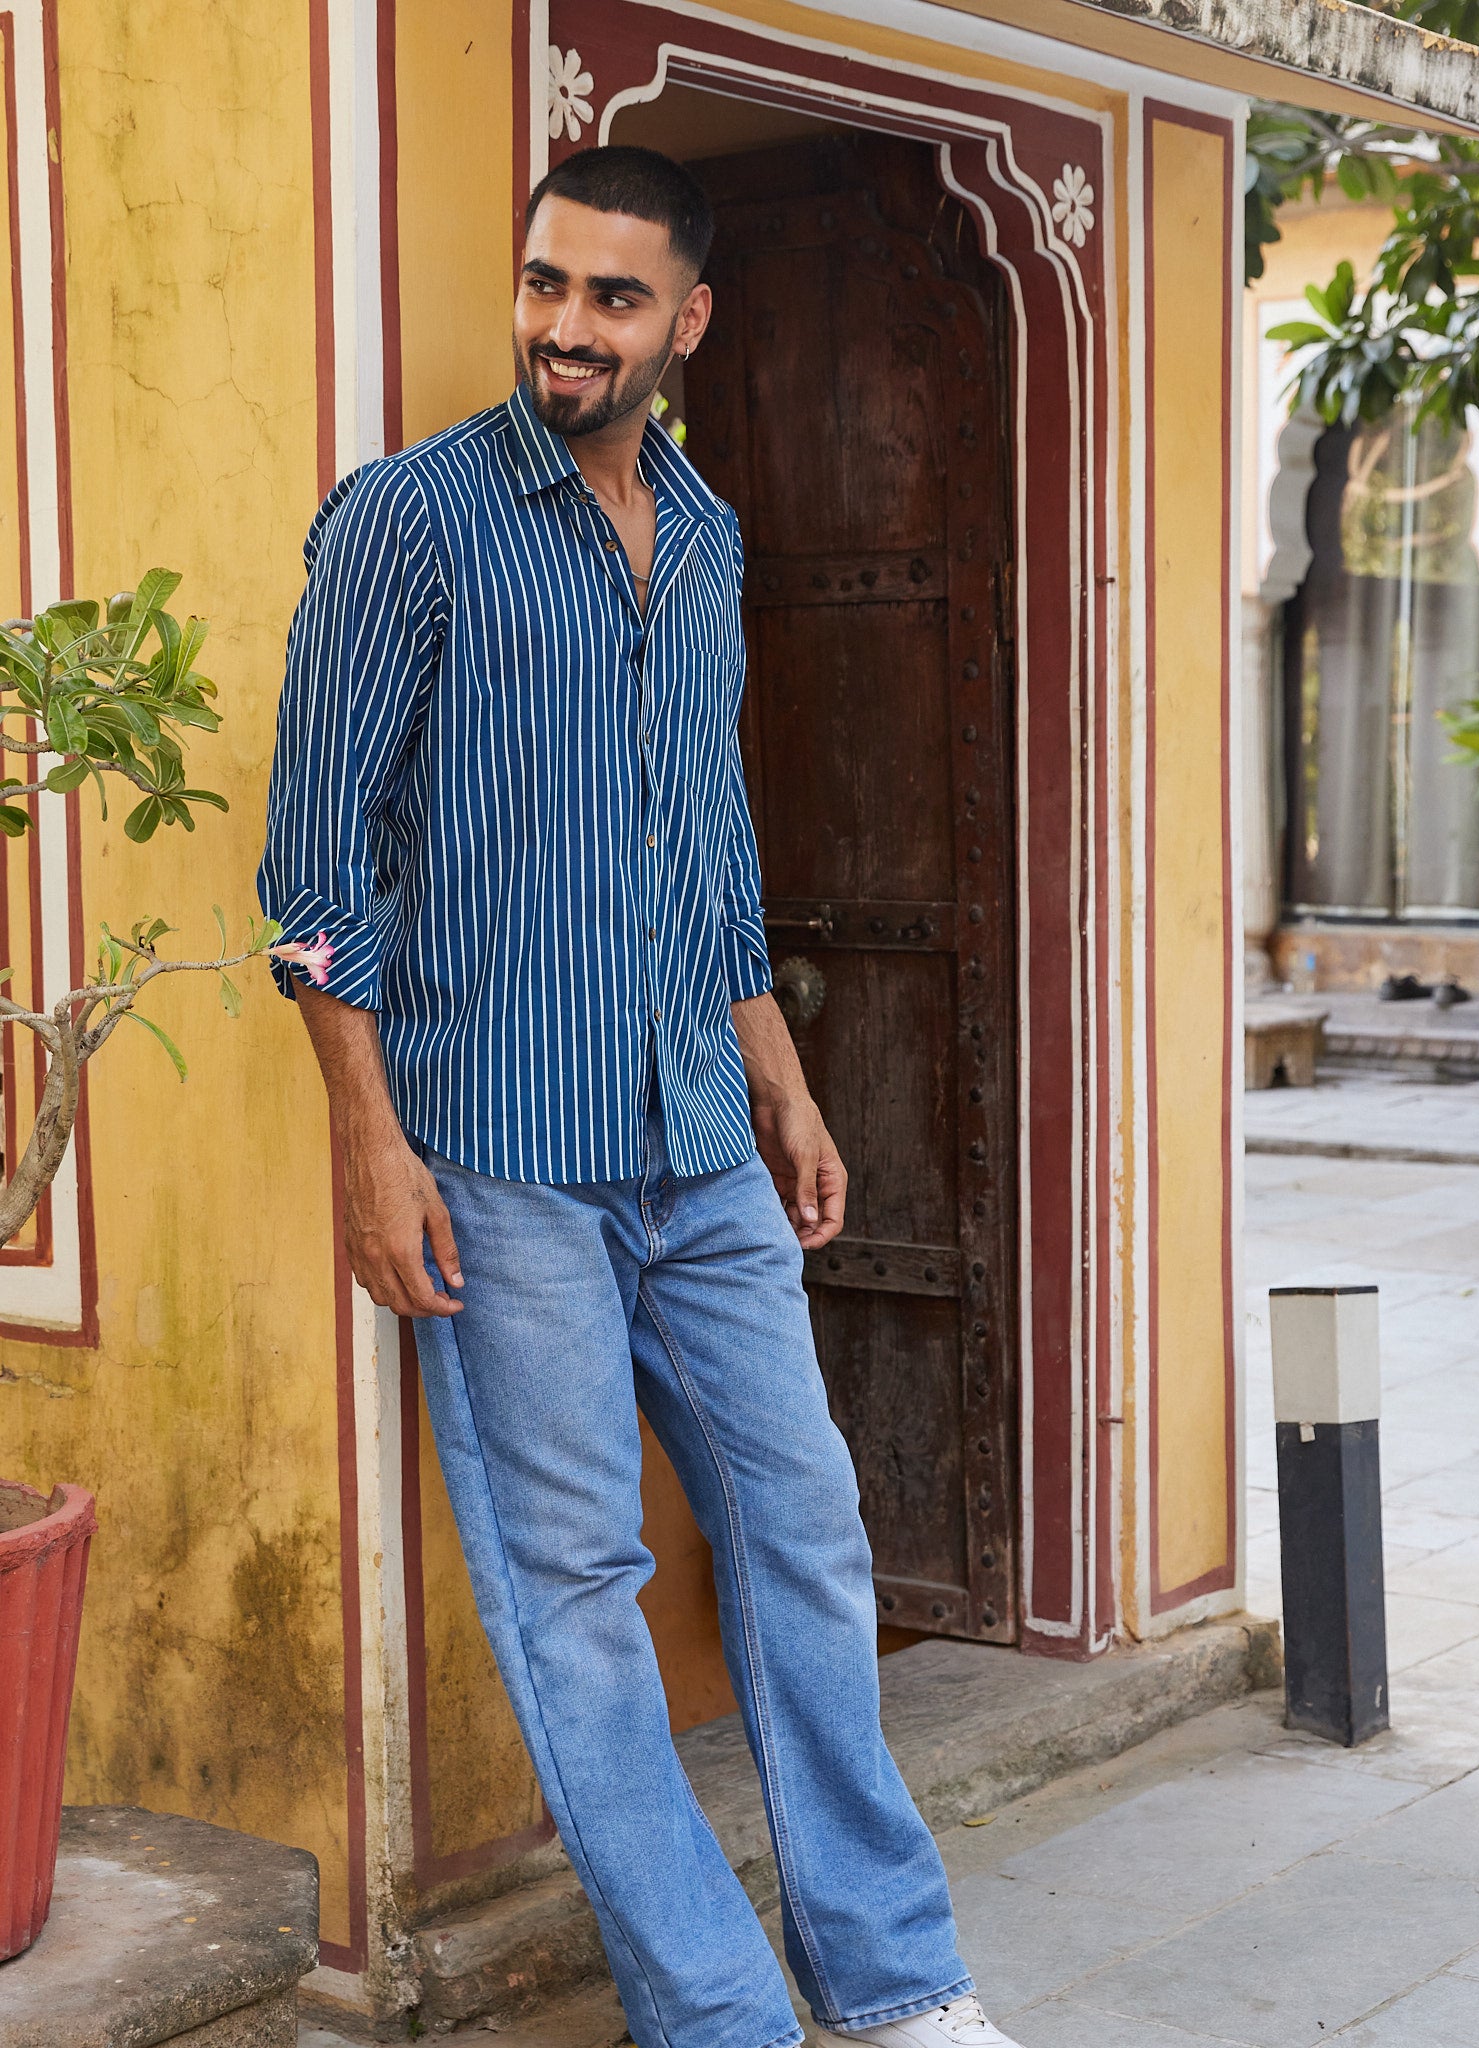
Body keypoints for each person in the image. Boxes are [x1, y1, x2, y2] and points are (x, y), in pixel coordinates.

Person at [260, 143, 1022, 2048]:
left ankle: (897, 1976)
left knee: (806, 1524)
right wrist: (371, 1143)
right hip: (498, 1152)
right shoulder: (404, 526)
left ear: (687, 321)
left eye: (610, 298)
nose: (564, 327)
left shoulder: (707, 532)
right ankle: (716, 2013)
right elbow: (309, 882)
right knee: (579, 1587)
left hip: (696, 1133)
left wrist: (785, 1085)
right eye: (544, 286)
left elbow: (706, 845)